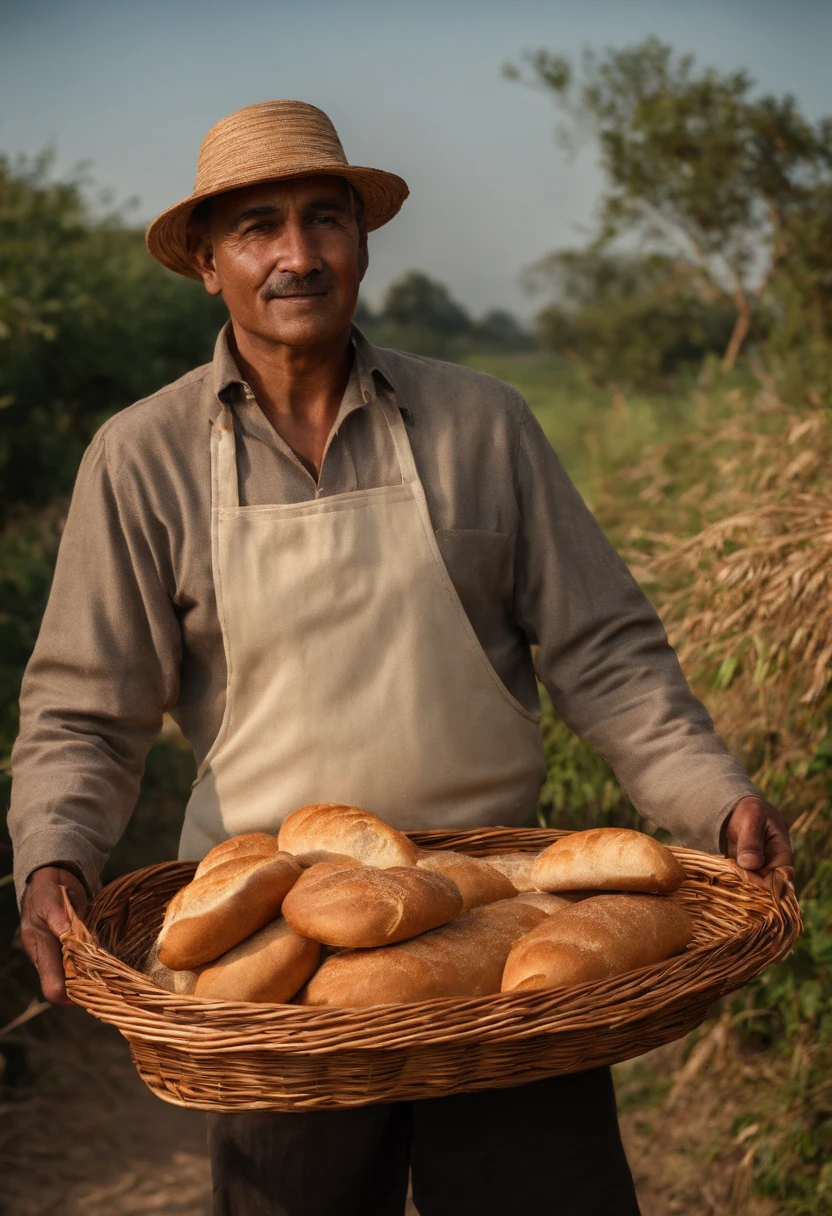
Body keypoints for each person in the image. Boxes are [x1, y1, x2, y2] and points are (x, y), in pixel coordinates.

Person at [10, 101, 793, 1216]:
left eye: (324, 219)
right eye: (257, 228)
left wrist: (714, 803)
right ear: (205, 261)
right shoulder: (142, 460)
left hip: (505, 925)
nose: (297, 255)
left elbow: (607, 655)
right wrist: (55, 856)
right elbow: (87, 710)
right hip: (270, 961)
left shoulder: (483, 426)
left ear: (363, 243)